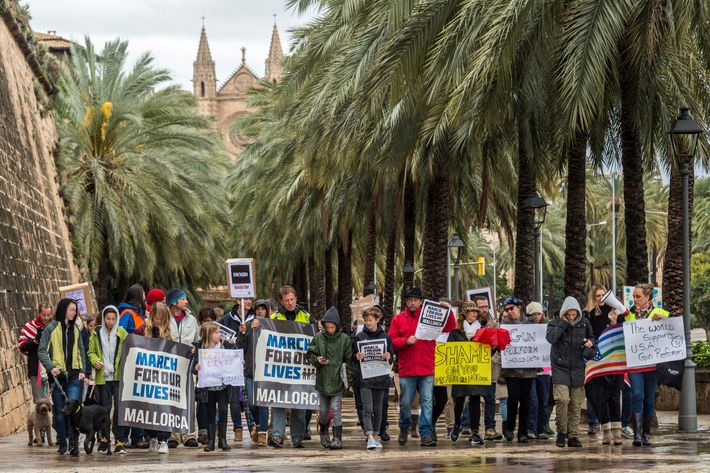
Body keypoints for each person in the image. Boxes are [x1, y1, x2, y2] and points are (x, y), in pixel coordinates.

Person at [389, 286, 456, 447]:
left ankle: (426, 433)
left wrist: (448, 312)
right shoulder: (398, 319)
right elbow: (391, 341)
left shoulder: (428, 316)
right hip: (407, 369)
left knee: (427, 401)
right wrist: (405, 341)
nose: (412, 303)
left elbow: (450, 327)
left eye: (416, 300)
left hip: (427, 367)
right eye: (410, 300)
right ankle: (404, 428)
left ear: (421, 302)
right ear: (405, 301)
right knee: (405, 402)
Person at [252, 286, 317, 448]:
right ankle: (278, 435)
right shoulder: (274, 317)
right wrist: (256, 325)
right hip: (280, 368)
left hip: (300, 368)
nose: (290, 303)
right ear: (281, 301)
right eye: (286, 300)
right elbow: (264, 336)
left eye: (292, 299)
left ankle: (297, 437)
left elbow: (315, 338)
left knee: (299, 404)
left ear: (296, 298)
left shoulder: (306, 316)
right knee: (278, 402)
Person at [620, 283, 669, 447]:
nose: (634, 299)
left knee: (649, 399)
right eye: (633, 296)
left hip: (653, 365)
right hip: (635, 365)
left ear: (648, 297)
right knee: (637, 395)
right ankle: (637, 435)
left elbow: (671, 329)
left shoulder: (659, 312)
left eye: (638, 296)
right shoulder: (631, 316)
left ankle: (647, 434)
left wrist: (663, 320)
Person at [37, 298, 88, 456]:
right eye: (72, 309)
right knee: (60, 412)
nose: (74, 313)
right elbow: (42, 350)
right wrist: (51, 367)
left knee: (73, 410)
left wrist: (83, 370)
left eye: (75, 310)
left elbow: (81, 351)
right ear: (64, 309)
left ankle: (73, 443)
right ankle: (63, 442)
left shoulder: (77, 329)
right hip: (58, 377)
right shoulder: (51, 328)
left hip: (74, 377)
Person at [547, 296, 595, 448]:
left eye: (574, 314)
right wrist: (564, 323)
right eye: (569, 314)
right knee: (562, 399)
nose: (572, 317)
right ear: (564, 312)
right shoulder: (554, 323)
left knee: (575, 403)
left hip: (578, 367)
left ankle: (572, 435)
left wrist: (589, 345)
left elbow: (592, 339)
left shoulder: (584, 323)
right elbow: (552, 338)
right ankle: (561, 432)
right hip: (560, 366)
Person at [307, 306, 352, 450]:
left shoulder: (344, 339)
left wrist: (348, 381)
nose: (330, 330)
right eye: (328, 327)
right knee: (324, 411)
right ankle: (324, 432)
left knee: (335, 409)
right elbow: (310, 354)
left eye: (332, 327)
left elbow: (349, 360)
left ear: (337, 326)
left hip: (337, 381)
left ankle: (337, 437)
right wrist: (317, 360)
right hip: (322, 380)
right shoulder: (318, 338)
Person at [583, 285, 623, 445]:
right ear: (593, 297)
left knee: (615, 394)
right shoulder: (588, 315)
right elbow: (588, 335)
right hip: (598, 359)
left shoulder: (616, 312)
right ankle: (606, 430)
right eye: (597, 296)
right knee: (600, 396)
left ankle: (617, 430)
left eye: (603, 295)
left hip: (615, 358)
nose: (601, 298)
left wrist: (614, 322)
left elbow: (621, 332)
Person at [87, 305, 129, 454]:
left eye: (113, 319)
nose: (110, 322)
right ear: (103, 318)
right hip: (102, 378)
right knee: (104, 409)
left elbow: (129, 350)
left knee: (119, 409)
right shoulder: (96, 333)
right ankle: (104, 440)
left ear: (117, 319)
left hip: (118, 378)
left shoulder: (122, 333)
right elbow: (90, 352)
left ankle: (119, 441)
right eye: (108, 319)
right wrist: (95, 360)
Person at [134, 302, 173, 454]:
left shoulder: (168, 332)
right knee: (148, 408)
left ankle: (164, 439)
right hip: (146, 375)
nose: (158, 321)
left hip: (163, 376)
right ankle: (152, 437)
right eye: (157, 318)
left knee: (163, 408)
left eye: (161, 319)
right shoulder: (142, 330)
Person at [352, 305, 392, 450]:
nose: (368, 323)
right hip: (365, 379)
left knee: (378, 409)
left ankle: (375, 435)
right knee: (367, 408)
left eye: (370, 320)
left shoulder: (386, 337)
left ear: (377, 320)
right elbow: (352, 356)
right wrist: (356, 356)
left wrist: (389, 356)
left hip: (381, 379)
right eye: (366, 320)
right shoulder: (359, 337)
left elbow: (392, 356)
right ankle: (369, 436)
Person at [448, 302, 488, 446]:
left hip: (477, 371)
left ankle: (475, 432)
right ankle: (457, 425)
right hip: (461, 370)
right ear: (465, 313)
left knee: (475, 400)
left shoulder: (482, 330)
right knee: (459, 399)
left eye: (476, 311)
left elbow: (487, 352)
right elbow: (449, 351)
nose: (474, 314)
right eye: (471, 311)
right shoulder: (455, 332)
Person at [166, 288, 200, 448]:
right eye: (183, 299)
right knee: (171, 399)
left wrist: (196, 353)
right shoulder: (164, 318)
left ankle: (190, 434)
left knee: (189, 400)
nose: (186, 301)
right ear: (174, 302)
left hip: (188, 365)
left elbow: (197, 340)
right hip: (169, 366)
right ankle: (173, 434)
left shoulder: (191, 320)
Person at [500, 296, 537, 443]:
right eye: (506, 309)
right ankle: (509, 427)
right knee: (513, 398)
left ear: (519, 308)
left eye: (511, 309)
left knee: (526, 400)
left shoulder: (530, 323)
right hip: (511, 369)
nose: (509, 312)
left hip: (528, 369)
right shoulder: (503, 325)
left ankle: (523, 432)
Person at [193, 322, 234, 452]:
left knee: (222, 410)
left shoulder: (225, 346)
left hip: (222, 386)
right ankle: (211, 441)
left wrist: (238, 362)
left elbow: (234, 358)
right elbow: (194, 364)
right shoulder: (199, 348)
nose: (219, 334)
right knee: (210, 411)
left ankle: (222, 439)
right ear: (209, 335)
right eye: (216, 332)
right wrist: (196, 367)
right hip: (208, 386)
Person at [117, 284, 148, 449]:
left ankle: (138, 436)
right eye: (143, 294)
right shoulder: (127, 314)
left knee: (139, 400)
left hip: (140, 361)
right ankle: (125, 437)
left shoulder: (139, 313)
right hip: (130, 361)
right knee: (130, 400)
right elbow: (121, 334)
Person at [237, 299, 271, 446]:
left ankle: (263, 432)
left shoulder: (272, 326)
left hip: (266, 372)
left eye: (263, 309)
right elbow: (241, 346)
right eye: (258, 309)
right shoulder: (249, 326)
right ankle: (257, 425)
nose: (260, 311)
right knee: (252, 403)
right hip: (251, 371)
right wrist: (244, 332)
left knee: (262, 402)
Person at [219, 299, 254, 442]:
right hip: (232, 364)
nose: (249, 302)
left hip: (250, 363)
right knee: (234, 398)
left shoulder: (256, 319)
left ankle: (253, 427)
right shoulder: (227, 319)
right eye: (245, 299)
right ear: (237, 300)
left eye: (251, 298)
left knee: (250, 398)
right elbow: (219, 338)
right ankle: (237, 428)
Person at [473, 296, 502, 441]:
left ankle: (490, 428)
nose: (484, 310)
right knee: (473, 399)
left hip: (490, 369)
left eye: (486, 306)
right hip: (473, 369)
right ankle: (472, 428)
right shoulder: (470, 325)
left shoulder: (495, 325)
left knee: (490, 398)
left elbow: (501, 347)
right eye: (481, 307)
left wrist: (492, 360)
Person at [526, 302, 551, 441]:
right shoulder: (524, 328)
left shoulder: (548, 328)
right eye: (533, 313)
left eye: (538, 313)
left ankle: (542, 429)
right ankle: (531, 428)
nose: (536, 316)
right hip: (530, 371)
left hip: (544, 370)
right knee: (533, 401)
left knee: (544, 401)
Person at [18, 302, 53, 401]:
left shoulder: (54, 326)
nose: (46, 318)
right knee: (39, 402)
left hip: (53, 368)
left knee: (56, 401)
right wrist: (35, 341)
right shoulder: (29, 327)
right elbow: (22, 346)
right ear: (38, 313)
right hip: (36, 368)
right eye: (43, 315)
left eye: (48, 315)